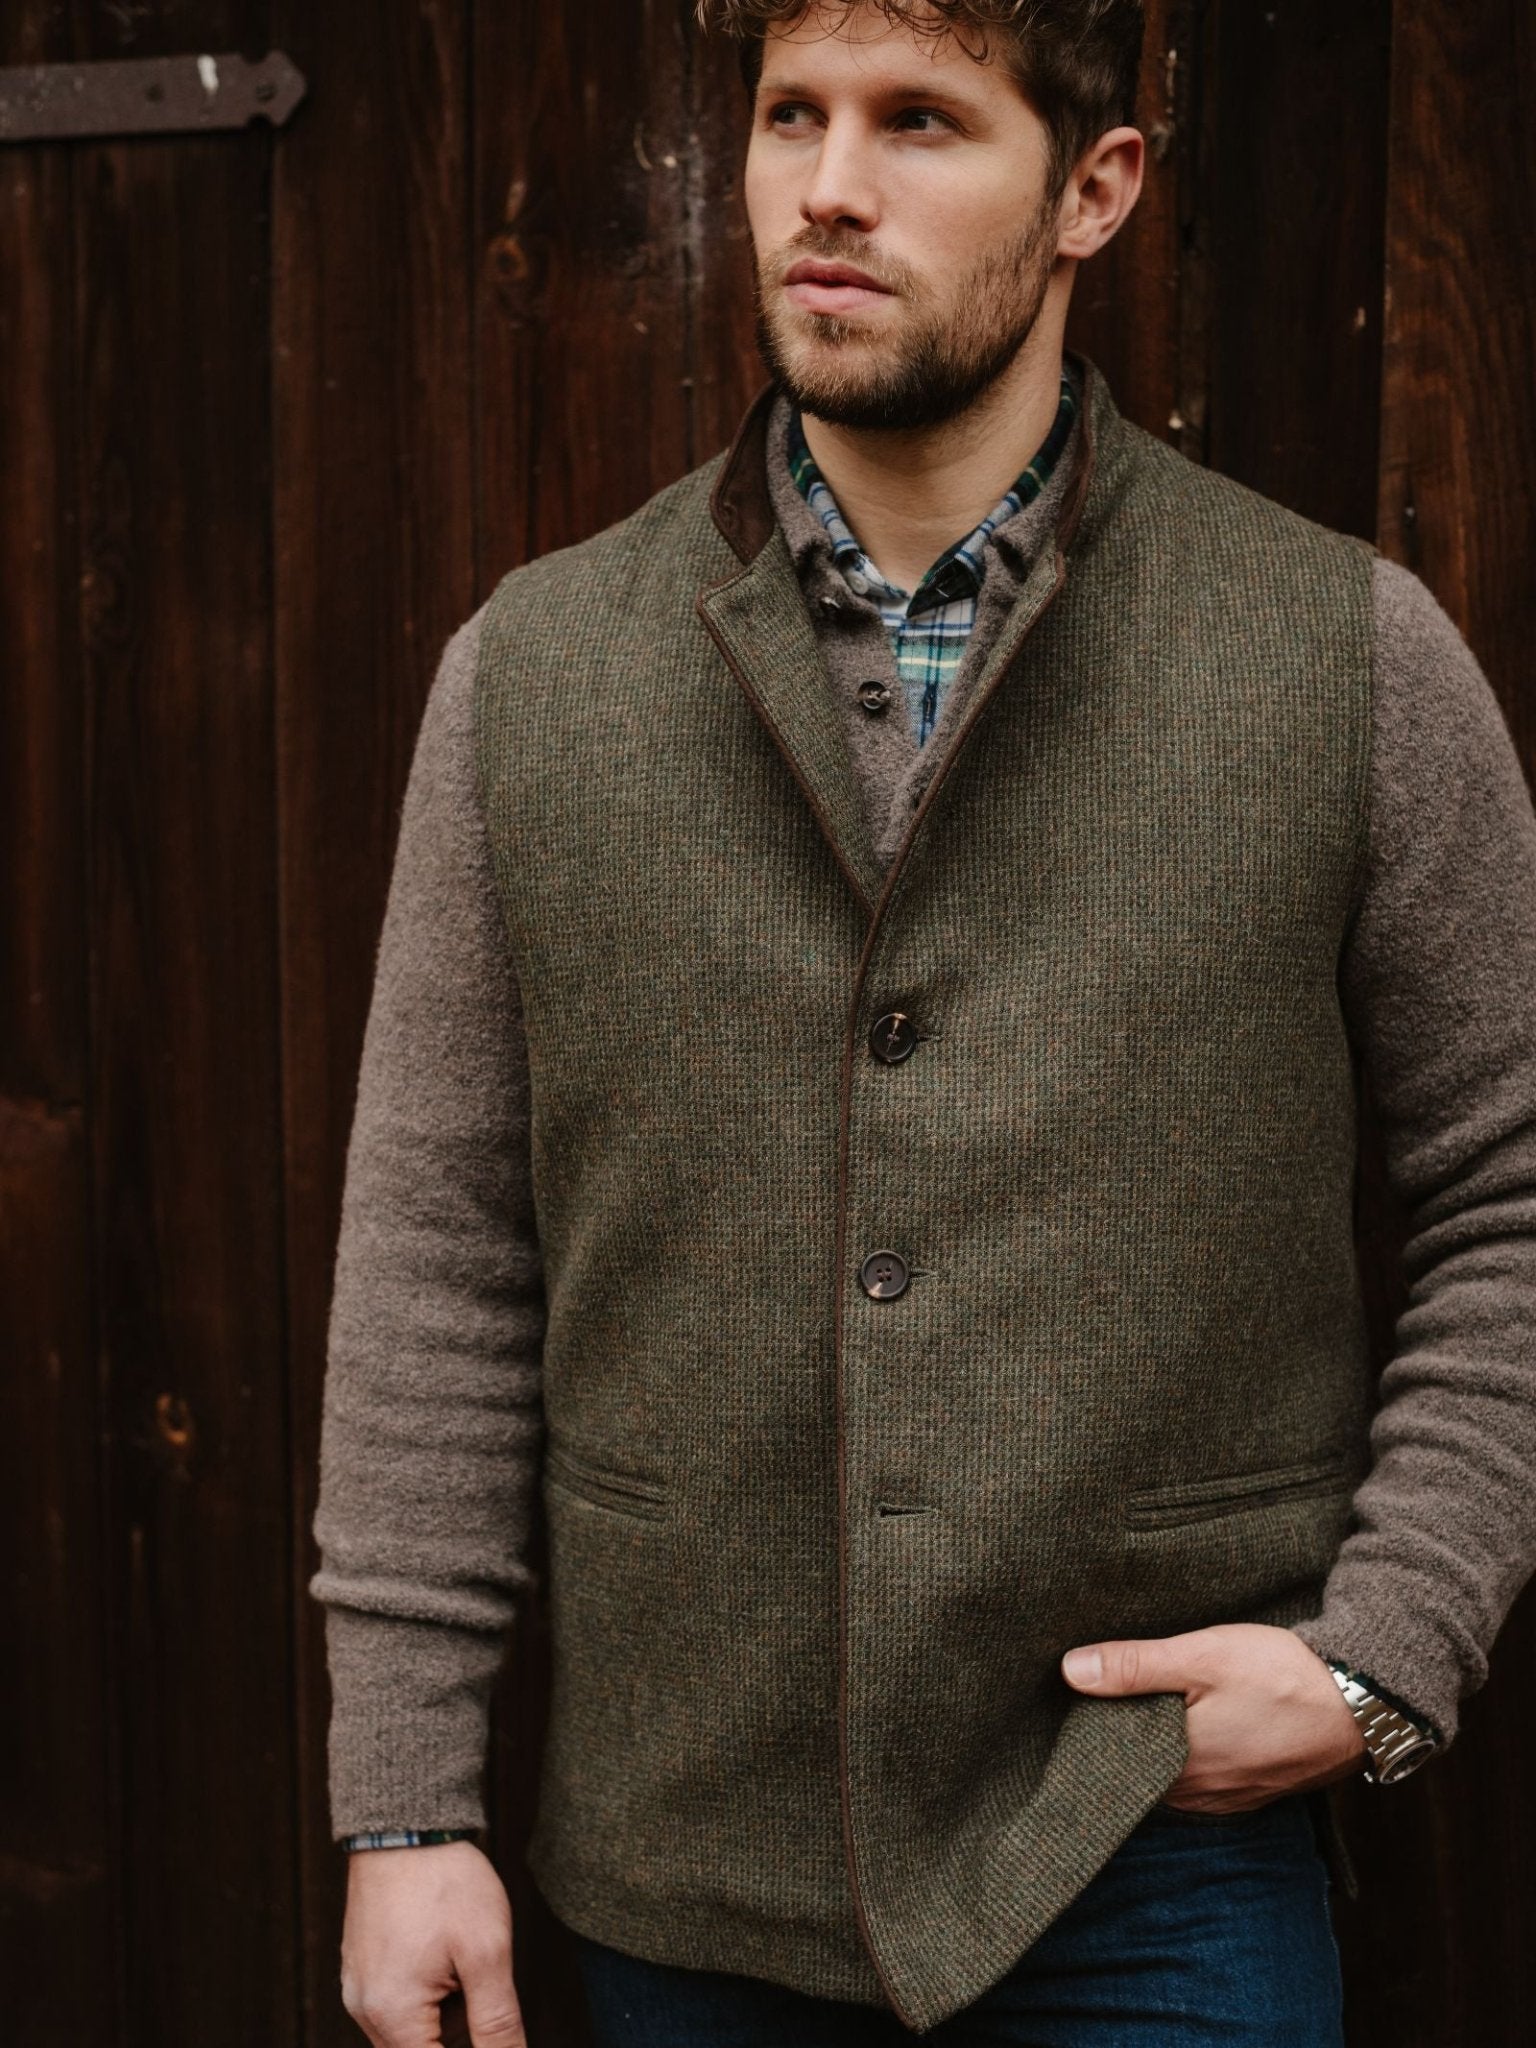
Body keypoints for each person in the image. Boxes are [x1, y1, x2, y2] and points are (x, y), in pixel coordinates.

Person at [309, 2, 1536, 2043]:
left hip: (1152, 1875)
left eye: (919, 121)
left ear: (1096, 189)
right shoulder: (533, 673)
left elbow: (1514, 1187)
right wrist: (403, 1802)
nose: (829, 186)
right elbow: (437, 1251)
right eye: (792, 115)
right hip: (677, 1882)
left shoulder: (1342, 656)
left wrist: (1383, 1650)